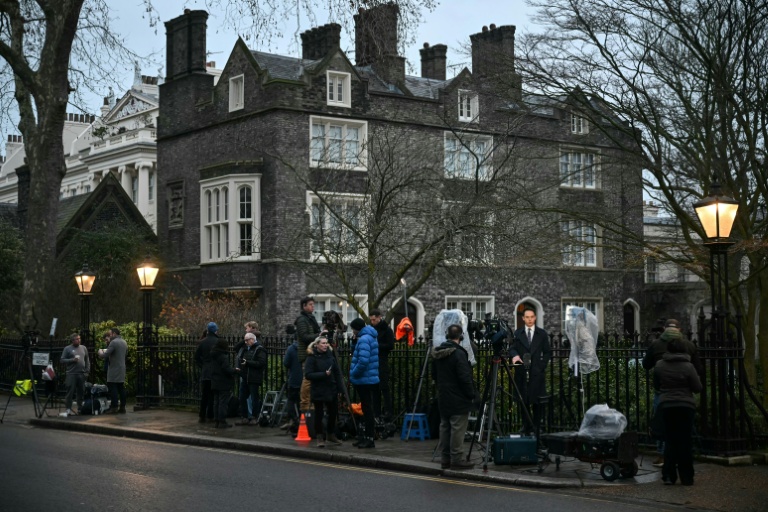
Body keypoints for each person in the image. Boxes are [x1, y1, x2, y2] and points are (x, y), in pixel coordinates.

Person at [642, 318, 701, 467]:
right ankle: (686, 454)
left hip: (663, 392)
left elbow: (646, 365)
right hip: (685, 393)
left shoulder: (656, 345)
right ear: (680, 330)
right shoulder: (689, 345)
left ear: (663, 329)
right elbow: (698, 370)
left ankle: (663, 456)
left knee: (663, 425)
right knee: (684, 426)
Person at [654, 338, 702, 486]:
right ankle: (687, 477)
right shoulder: (688, 367)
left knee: (670, 441)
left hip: (666, 406)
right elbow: (697, 387)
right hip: (685, 406)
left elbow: (656, 384)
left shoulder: (660, 365)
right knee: (685, 442)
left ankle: (668, 475)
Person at [432, 323, 477, 470]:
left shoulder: (438, 352)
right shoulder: (458, 354)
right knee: (457, 428)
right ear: (461, 336)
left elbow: (434, 375)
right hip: (458, 397)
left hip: (444, 396)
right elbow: (464, 377)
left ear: (447, 335)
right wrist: (472, 394)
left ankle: (445, 458)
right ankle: (457, 458)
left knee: (445, 427)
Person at [510, 308, 551, 436]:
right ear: (523, 318)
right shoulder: (517, 333)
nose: (529, 319)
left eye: (531, 317)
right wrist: (515, 355)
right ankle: (526, 426)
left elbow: (547, 352)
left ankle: (537, 427)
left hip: (536, 373)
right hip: (522, 371)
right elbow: (511, 348)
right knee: (523, 401)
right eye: (527, 317)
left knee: (537, 402)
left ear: (535, 318)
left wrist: (541, 366)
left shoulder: (542, 334)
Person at [304, 336, 346, 447]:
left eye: (326, 343)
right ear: (316, 345)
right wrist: (323, 374)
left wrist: (341, 389)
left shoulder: (330, 356)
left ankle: (330, 434)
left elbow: (337, 373)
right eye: (322, 343)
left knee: (333, 413)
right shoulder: (312, 357)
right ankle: (319, 437)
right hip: (318, 389)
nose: (325, 345)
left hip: (331, 388)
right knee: (319, 414)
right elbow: (308, 375)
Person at [349, 317, 379, 449]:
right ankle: (365, 437)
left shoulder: (364, 339)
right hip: (369, 378)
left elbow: (363, 361)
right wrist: (354, 343)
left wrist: (353, 373)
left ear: (356, 329)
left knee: (367, 410)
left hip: (364, 379)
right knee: (366, 408)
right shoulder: (369, 337)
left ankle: (369, 438)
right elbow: (358, 353)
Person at [205, 338, 240, 428]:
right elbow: (226, 369)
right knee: (223, 402)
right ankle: (222, 421)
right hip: (223, 382)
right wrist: (235, 370)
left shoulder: (212, 355)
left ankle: (216, 420)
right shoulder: (223, 356)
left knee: (216, 402)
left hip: (214, 380)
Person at [295, 297, 321, 412]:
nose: (313, 306)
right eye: (310, 304)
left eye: (313, 304)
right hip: (306, 354)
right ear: (304, 306)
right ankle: (305, 405)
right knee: (307, 380)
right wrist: (318, 335)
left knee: (312, 380)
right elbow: (304, 337)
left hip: (313, 353)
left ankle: (313, 404)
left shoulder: (311, 318)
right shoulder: (302, 320)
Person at [236, 331, 267, 425]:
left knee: (254, 398)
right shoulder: (245, 349)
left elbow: (261, 363)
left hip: (254, 377)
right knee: (242, 397)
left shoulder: (259, 349)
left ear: (253, 339)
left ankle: (254, 416)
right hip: (245, 376)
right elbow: (236, 351)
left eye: (247, 340)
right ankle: (244, 416)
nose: (245, 342)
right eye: (244, 340)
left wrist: (248, 363)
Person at [369, 308, 395, 421]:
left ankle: (388, 412)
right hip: (374, 360)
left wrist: (377, 346)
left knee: (384, 387)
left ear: (379, 317)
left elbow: (390, 345)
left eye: (374, 320)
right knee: (374, 388)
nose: (372, 322)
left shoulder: (387, 330)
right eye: (371, 320)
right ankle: (376, 413)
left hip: (381, 360)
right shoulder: (371, 329)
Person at [98, 327, 128, 413]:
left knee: (112, 387)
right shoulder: (124, 342)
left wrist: (100, 352)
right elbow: (125, 354)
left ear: (114, 334)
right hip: (122, 368)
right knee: (121, 387)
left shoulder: (113, 342)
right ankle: (123, 406)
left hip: (114, 368)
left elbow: (106, 354)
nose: (110, 336)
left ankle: (114, 407)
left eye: (110, 334)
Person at [195, 322, 219, 423]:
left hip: (205, 372)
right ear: (216, 331)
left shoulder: (202, 342)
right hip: (215, 371)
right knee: (213, 395)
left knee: (204, 395)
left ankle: (202, 416)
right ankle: (211, 415)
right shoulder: (218, 341)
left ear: (208, 330)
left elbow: (196, 357)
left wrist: (203, 365)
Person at [60, 333, 90, 416]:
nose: (79, 340)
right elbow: (62, 360)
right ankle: (68, 409)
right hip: (71, 373)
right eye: (77, 339)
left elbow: (87, 359)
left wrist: (87, 371)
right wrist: (72, 360)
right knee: (70, 392)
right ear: (72, 340)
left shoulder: (83, 348)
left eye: (79, 338)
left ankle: (80, 408)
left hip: (81, 373)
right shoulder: (67, 349)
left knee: (81, 392)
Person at [280, 324, 302, 430]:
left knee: (291, 400)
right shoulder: (307, 348)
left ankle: (293, 419)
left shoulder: (291, 349)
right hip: (305, 379)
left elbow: (286, 363)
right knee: (302, 401)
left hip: (293, 378)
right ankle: (302, 421)